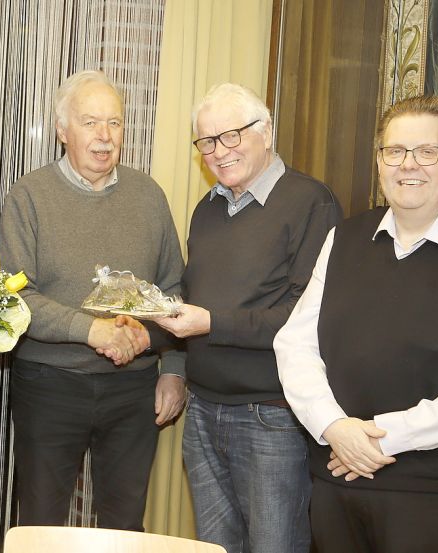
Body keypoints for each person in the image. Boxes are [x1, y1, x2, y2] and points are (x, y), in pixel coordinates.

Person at [274, 94, 438, 553]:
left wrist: (382, 437)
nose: (408, 165)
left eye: (426, 152)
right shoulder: (345, 238)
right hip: (335, 474)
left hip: (431, 490)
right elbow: (295, 345)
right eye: (394, 151)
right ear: (379, 162)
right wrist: (334, 426)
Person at [152, 83, 341, 553]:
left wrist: (211, 322)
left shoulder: (311, 202)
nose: (220, 151)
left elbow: (306, 318)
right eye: (208, 141)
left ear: (267, 131)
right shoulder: (207, 209)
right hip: (201, 411)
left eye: (233, 135)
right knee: (215, 548)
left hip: (271, 416)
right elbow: (196, 296)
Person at [0, 70, 186, 530]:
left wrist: (175, 371)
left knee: (125, 526)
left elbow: (174, 292)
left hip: (133, 390)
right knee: (42, 525)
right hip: (50, 386)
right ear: (62, 131)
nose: (104, 136)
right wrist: (94, 329)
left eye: (115, 123)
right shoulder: (27, 198)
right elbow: (16, 300)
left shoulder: (150, 196)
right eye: (90, 123)